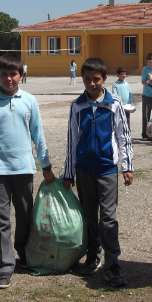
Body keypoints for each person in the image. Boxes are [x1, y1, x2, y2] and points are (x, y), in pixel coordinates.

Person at [0, 53, 53, 290]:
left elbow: (38, 136)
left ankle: (25, 254)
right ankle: (4, 266)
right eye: (4, 74)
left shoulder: (29, 101)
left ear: (21, 75)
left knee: (25, 214)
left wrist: (46, 166)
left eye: (14, 74)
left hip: (23, 169)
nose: (9, 78)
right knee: (0, 220)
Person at [63, 58, 133, 287]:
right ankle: (93, 256)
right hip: (84, 169)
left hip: (107, 169)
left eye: (96, 79)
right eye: (87, 79)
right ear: (82, 79)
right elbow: (72, 139)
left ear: (104, 79)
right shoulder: (77, 105)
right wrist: (68, 172)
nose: (92, 83)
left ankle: (112, 265)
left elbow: (123, 136)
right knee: (89, 216)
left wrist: (127, 166)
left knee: (108, 218)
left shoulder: (114, 103)